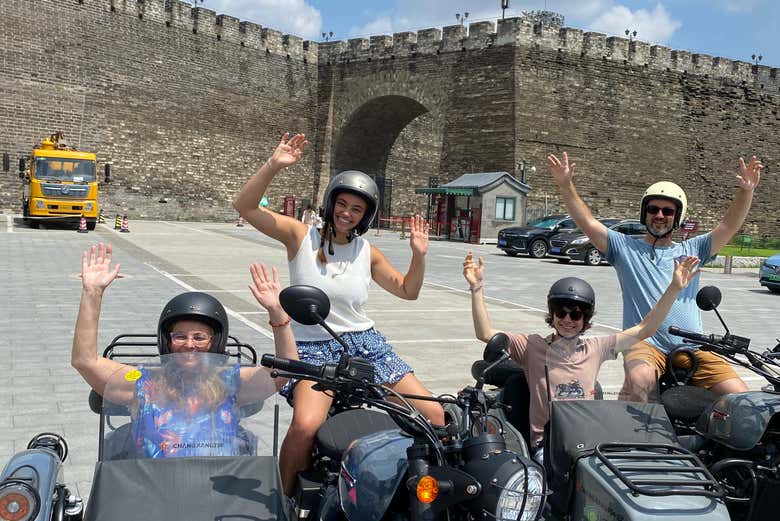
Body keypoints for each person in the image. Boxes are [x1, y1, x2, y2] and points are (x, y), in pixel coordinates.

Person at [233, 132, 444, 496]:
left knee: (435, 415)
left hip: (366, 346)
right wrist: (274, 164)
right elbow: (245, 207)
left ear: (365, 216)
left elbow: (408, 291)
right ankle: (284, 501)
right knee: (305, 425)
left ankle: (412, 492)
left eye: (356, 209)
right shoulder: (301, 237)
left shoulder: (368, 252)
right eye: (342, 204)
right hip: (313, 348)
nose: (347, 213)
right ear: (331, 204)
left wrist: (419, 254)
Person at [546, 152, 763, 401]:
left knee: (742, 399)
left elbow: (728, 225)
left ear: (677, 217)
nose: (659, 215)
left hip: (693, 347)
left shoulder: (693, 249)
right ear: (644, 212)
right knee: (641, 383)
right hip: (644, 344)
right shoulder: (624, 248)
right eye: (653, 209)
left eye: (667, 211)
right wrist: (566, 185)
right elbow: (587, 221)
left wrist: (746, 191)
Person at [463, 251, 701, 460]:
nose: (567, 320)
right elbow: (485, 333)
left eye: (576, 315)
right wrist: (476, 288)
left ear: (585, 320)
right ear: (552, 314)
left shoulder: (595, 348)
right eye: (561, 312)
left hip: (587, 439)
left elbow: (644, 329)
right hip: (549, 444)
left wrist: (674, 288)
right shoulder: (531, 346)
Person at [71, 243, 297, 458]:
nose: (189, 344)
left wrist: (277, 312)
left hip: (219, 493)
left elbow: (286, 370)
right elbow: (85, 361)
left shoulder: (228, 383)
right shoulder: (144, 383)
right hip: (154, 491)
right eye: (180, 336)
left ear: (215, 342)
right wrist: (92, 293)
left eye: (199, 337)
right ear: (167, 341)